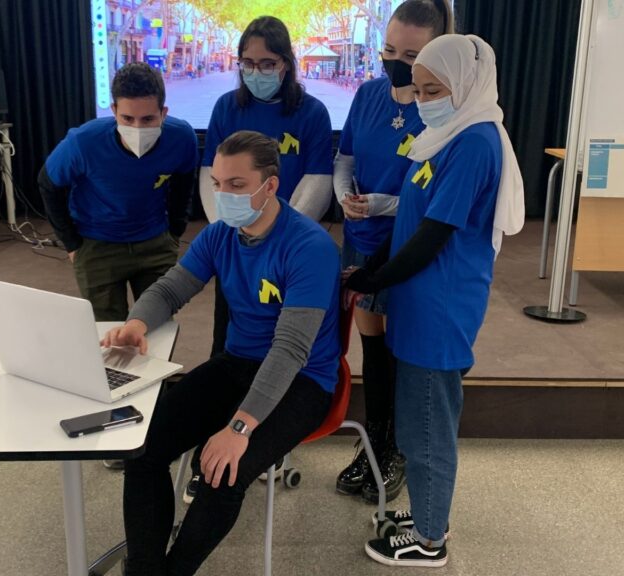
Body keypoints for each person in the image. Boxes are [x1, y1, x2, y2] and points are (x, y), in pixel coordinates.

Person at [106, 130, 341, 575]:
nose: (223, 195)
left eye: (236, 184)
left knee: (223, 475)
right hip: (237, 365)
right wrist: (136, 323)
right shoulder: (220, 235)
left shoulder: (310, 247)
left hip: (303, 380)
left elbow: (290, 350)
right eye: (217, 183)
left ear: (270, 186)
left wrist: (239, 427)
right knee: (144, 451)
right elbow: (170, 289)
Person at [347, 35, 524, 567]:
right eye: (419, 89)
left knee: (427, 428)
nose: (422, 100)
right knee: (417, 418)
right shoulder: (442, 136)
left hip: (440, 307)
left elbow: (433, 236)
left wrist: (373, 278)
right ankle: (430, 514)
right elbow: (412, 216)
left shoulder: (474, 142)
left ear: (466, 86)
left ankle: (429, 541)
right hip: (417, 300)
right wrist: (375, 272)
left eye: (433, 90)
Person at [186, 15, 334, 501]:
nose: (256, 71)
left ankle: (267, 441)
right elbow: (211, 173)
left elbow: (316, 181)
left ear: (286, 64)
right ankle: (211, 447)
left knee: (283, 347)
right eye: (247, 63)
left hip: (288, 250)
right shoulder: (228, 107)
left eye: (267, 63)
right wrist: (231, 233)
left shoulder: (311, 113)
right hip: (238, 249)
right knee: (228, 348)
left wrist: (277, 235)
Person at [333, 0, 453, 507]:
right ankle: (375, 443)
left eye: (410, 55)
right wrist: (345, 197)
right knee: (372, 350)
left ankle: (398, 451)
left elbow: (436, 199)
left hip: (406, 247)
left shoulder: (441, 111)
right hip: (360, 241)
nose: (396, 63)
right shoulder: (367, 95)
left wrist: (382, 203)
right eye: (389, 50)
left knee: (402, 351)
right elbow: (345, 159)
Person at [39, 62, 197, 322]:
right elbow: (48, 184)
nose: (137, 129)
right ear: (114, 111)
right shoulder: (83, 142)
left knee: (157, 325)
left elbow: (184, 182)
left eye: (148, 119)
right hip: (97, 246)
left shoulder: (181, 138)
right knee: (107, 332)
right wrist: (71, 244)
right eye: (127, 119)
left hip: (155, 243)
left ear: (163, 113)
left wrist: (175, 231)